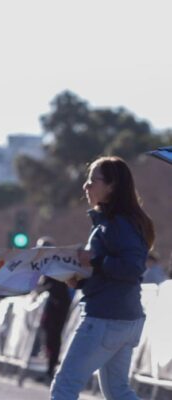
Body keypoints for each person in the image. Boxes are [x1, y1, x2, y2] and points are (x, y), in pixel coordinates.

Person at [51, 156, 154, 400]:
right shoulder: (122, 222)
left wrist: (94, 261)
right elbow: (118, 272)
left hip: (105, 319)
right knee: (118, 392)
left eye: (92, 180)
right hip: (124, 319)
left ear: (112, 186)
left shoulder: (116, 223)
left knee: (64, 386)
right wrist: (82, 280)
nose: (85, 186)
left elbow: (132, 268)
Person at [33, 236, 72, 383]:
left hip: (58, 305)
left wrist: (40, 288)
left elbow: (54, 284)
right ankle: (49, 369)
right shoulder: (46, 263)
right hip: (53, 304)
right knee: (48, 338)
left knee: (53, 338)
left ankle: (51, 371)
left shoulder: (55, 262)